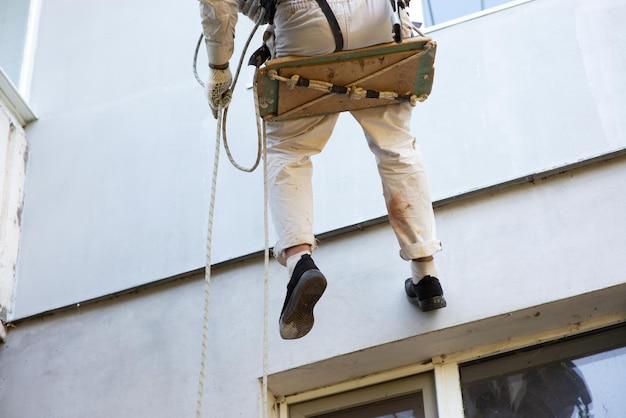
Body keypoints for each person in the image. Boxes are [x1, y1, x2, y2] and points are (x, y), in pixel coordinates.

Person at [199, 0, 446, 340]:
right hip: (376, 17)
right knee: (396, 146)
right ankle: (426, 272)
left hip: (304, 21)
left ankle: (300, 260)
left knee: (289, 151)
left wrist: (219, 66)